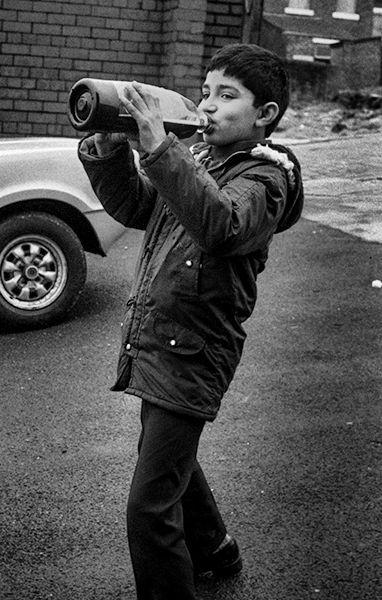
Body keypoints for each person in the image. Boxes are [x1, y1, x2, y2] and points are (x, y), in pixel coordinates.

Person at [77, 44, 304, 599]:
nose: (207, 106)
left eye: (227, 97)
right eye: (205, 92)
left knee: (149, 504)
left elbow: (219, 226)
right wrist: (111, 153)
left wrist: (161, 148)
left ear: (265, 114)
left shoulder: (263, 181)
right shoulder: (198, 160)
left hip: (196, 349)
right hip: (160, 338)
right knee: (166, 454)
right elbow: (138, 209)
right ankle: (215, 549)